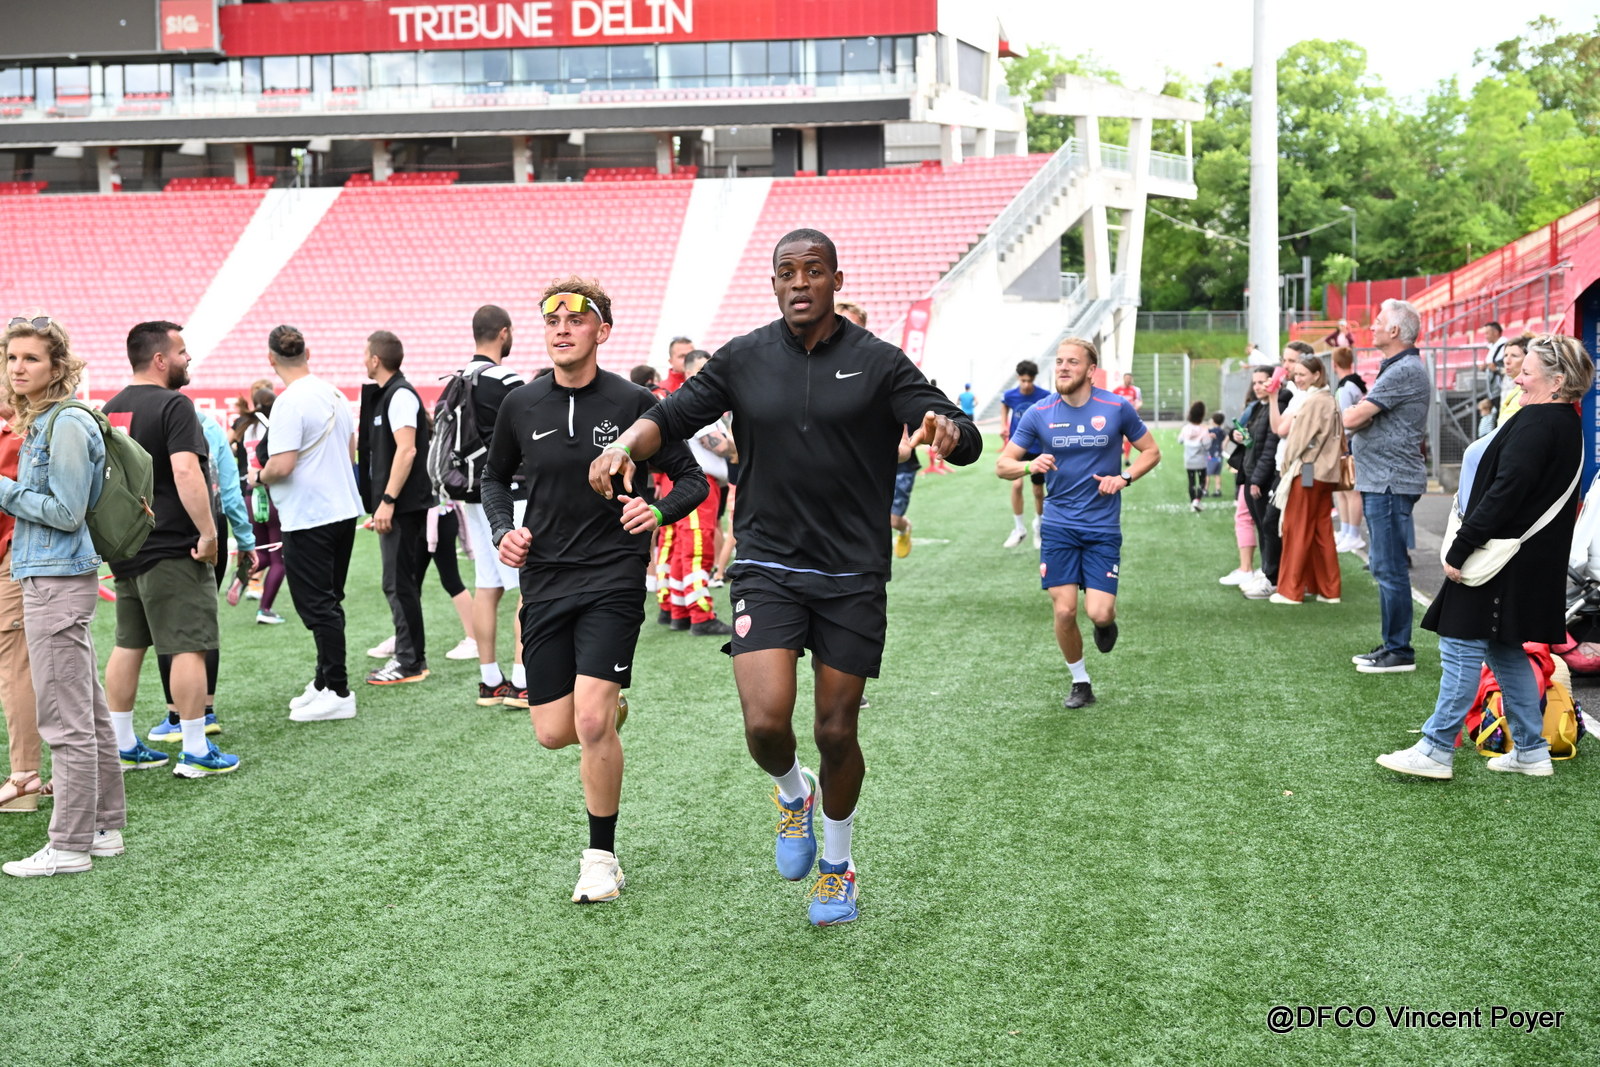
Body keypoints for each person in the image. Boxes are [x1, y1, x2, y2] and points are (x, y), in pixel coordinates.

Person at [588, 229, 981, 926]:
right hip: (767, 562)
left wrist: (951, 430)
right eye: (787, 272)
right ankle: (793, 793)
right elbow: (667, 418)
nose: (800, 282)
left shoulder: (878, 361)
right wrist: (624, 443)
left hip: (852, 570)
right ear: (773, 283)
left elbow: (957, 428)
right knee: (767, 723)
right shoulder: (743, 358)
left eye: (814, 270)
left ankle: (837, 866)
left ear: (836, 280)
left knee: (836, 730)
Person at [484, 279, 707, 903]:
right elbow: (494, 479)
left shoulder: (637, 404)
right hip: (545, 579)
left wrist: (656, 513)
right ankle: (609, 711)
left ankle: (601, 859)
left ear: (601, 331)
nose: (561, 328)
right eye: (551, 318)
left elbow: (691, 480)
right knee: (554, 731)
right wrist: (503, 531)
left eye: (576, 319)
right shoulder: (521, 404)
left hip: (613, 575)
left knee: (589, 720)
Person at [1377, 334, 1591, 779]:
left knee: (1460, 647)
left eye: (1526, 371)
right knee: (1505, 651)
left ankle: (1436, 749)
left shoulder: (1539, 423)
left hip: (1503, 560)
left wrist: (1461, 547)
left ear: (1556, 382)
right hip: (1525, 561)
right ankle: (1531, 751)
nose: (1517, 378)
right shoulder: (1562, 421)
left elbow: (1504, 494)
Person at [0, 315, 138, 874]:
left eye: (31, 358)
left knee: (65, 719)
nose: (18, 368)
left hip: (55, 579)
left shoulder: (66, 423)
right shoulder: (50, 420)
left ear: (57, 365)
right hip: (53, 576)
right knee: (88, 713)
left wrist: (4, 490)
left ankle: (70, 844)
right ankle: (102, 829)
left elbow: (65, 511)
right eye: (12, 358)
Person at [101, 322, 240, 778]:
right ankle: (196, 749)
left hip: (128, 547)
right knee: (189, 646)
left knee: (128, 644)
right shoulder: (175, 405)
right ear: (160, 359)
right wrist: (209, 534)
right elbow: (185, 472)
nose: (188, 358)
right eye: (182, 351)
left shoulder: (110, 409)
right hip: (171, 546)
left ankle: (122, 744)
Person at [996, 337, 1160, 710]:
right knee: (1065, 610)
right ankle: (1080, 681)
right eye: (1059, 361)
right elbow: (1003, 464)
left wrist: (1124, 478)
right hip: (1058, 526)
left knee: (1099, 612)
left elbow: (1151, 451)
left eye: (1072, 361)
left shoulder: (1116, 407)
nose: (1063, 367)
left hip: (1102, 527)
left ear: (1090, 370)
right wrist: (1028, 465)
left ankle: (1105, 624)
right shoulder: (1039, 412)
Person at [251, 324, 363, 720]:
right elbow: (350, 452)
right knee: (329, 601)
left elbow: (281, 465)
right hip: (341, 510)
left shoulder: (289, 402)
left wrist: (257, 476)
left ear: (271, 359)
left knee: (317, 606)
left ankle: (339, 690)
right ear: (307, 352)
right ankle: (324, 680)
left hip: (310, 515)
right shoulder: (334, 393)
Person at [147, 405, 258, 741]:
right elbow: (230, 490)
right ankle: (205, 711)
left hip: (165, 525)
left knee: (166, 623)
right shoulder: (209, 426)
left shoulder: (145, 419)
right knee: (202, 620)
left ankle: (176, 714)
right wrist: (245, 539)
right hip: (211, 523)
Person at [1344, 299, 1431, 673]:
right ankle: (1392, 645)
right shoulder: (1398, 367)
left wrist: (1356, 416)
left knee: (1390, 567)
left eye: (1378, 321)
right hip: (1384, 480)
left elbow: (1353, 417)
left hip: (1390, 481)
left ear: (1395, 331)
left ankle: (1399, 651)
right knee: (1383, 565)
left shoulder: (1404, 370)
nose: (1373, 326)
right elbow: (1360, 417)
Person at [450, 306, 530, 709]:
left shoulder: (456, 378)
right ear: (503, 333)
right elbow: (531, 433)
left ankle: (489, 681)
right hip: (509, 490)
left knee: (487, 585)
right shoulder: (505, 379)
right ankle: (522, 681)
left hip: (470, 492)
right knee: (526, 586)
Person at [358, 330, 432, 686]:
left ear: (375, 359)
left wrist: (387, 501)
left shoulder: (399, 394)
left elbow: (407, 450)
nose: (363, 359)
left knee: (399, 584)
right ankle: (409, 656)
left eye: (365, 354)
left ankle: (409, 661)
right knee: (399, 583)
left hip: (402, 508)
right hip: (397, 506)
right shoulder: (388, 394)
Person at [662, 348, 733, 636]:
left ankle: (679, 610)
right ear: (691, 373)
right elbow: (719, 445)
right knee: (697, 548)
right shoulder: (696, 401)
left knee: (684, 548)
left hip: (694, 481)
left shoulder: (689, 399)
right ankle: (701, 615)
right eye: (705, 369)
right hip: (699, 482)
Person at [1267, 352, 1342, 606]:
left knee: (1295, 529)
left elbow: (1297, 441)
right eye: (1295, 374)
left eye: (1302, 374)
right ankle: (1329, 590)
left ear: (1316, 375)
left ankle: (1291, 590)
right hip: (1325, 474)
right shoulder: (1329, 399)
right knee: (1322, 531)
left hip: (1307, 471)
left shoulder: (1314, 401)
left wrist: (1286, 465)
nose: (1297, 379)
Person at [0, 398, 44, 813]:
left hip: (16, 555)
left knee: (17, 666)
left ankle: (25, 774)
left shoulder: (19, 435)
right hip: (25, 554)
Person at [232, 384, 288, 622]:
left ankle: (240, 578)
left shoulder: (244, 425)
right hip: (269, 492)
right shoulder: (272, 426)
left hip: (249, 495)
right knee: (279, 558)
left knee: (262, 553)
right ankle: (264, 609)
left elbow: (232, 448)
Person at [1219, 369, 1270, 587]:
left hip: (1260, 472)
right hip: (1252, 470)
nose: (1257, 386)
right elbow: (1239, 431)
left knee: (1261, 522)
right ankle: (1256, 569)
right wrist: (1236, 435)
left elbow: (1267, 445)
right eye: (1255, 382)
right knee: (1253, 519)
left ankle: (1259, 571)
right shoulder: (1257, 406)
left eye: (1261, 382)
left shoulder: (1271, 406)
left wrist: (1256, 478)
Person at [1001, 360, 1051, 548]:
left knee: (1038, 491)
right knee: (1016, 485)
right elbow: (1004, 405)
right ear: (1018, 378)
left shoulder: (1044, 395)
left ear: (1034, 379)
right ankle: (1019, 528)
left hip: (1038, 448)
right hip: (1018, 448)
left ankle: (1038, 527)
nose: (1026, 384)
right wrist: (1003, 424)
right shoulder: (1010, 395)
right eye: (1023, 381)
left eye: (1029, 381)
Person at [1329, 347, 1366, 553]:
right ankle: (1346, 530)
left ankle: (1353, 533)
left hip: (1347, 443)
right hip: (1346, 442)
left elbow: (1344, 420)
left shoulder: (1346, 387)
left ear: (1334, 364)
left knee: (1350, 490)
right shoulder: (1351, 384)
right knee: (1342, 490)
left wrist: (1340, 443)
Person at [1177, 401, 1209, 513]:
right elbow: (1207, 445)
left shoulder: (1186, 428)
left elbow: (1179, 440)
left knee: (1191, 482)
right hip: (1200, 460)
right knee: (1202, 482)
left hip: (1189, 460)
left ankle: (1192, 503)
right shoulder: (1204, 429)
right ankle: (1197, 500)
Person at [1111, 372, 1143, 469]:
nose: (1128, 380)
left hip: (1130, 417)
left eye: (1130, 378)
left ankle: (1126, 458)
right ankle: (1119, 452)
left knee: (1128, 437)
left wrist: (1136, 407)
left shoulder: (1134, 390)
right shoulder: (1117, 390)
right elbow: (1111, 402)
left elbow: (1138, 401)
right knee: (1119, 437)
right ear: (1124, 379)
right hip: (1118, 417)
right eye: (1127, 378)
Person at [1499, 335, 1528, 423]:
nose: (1507, 361)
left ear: (1529, 358)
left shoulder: (1529, 389)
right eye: (1505, 355)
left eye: (1514, 356)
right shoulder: (1506, 381)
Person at [1480, 321, 1506, 402]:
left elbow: (1504, 366)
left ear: (1496, 332)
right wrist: (1485, 367)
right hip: (1493, 388)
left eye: (1487, 333)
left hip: (1501, 388)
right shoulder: (1492, 347)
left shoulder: (1505, 346)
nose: (1485, 336)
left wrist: (1496, 368)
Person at [1205, 412, 1226, 497]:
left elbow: (1205, 432)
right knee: (1217, 474)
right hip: (1220, 456)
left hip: (1212, 456)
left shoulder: (1212, 431)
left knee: (1207, 474)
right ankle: (1218, 490)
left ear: (1213, 421)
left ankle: (1205, 490)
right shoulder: (1222, 431)